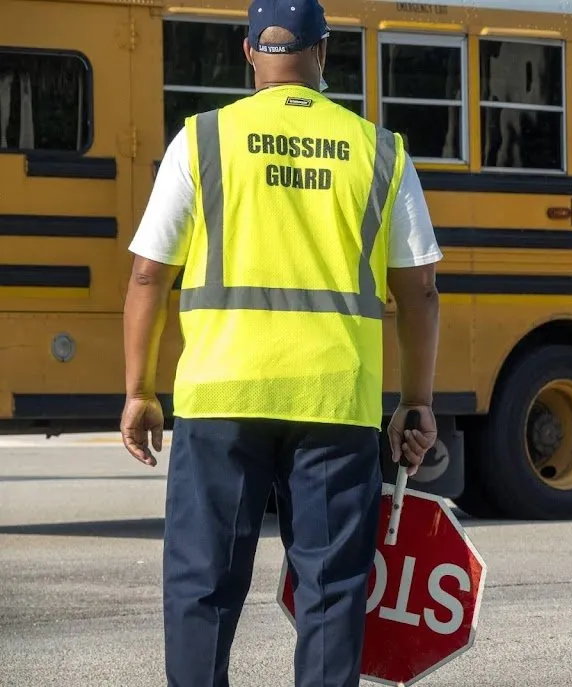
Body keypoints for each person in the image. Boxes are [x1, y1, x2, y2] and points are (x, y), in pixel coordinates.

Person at [118, 0, 443, 683]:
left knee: (202, 587)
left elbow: (149, 272)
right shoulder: (379, 150)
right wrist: (416, 400)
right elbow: (420, 292)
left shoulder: (203, 140)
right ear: (322, 52)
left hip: (221, 399)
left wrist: (140, 390)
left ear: (248, 53)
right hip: (335, 403)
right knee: (331, 592)